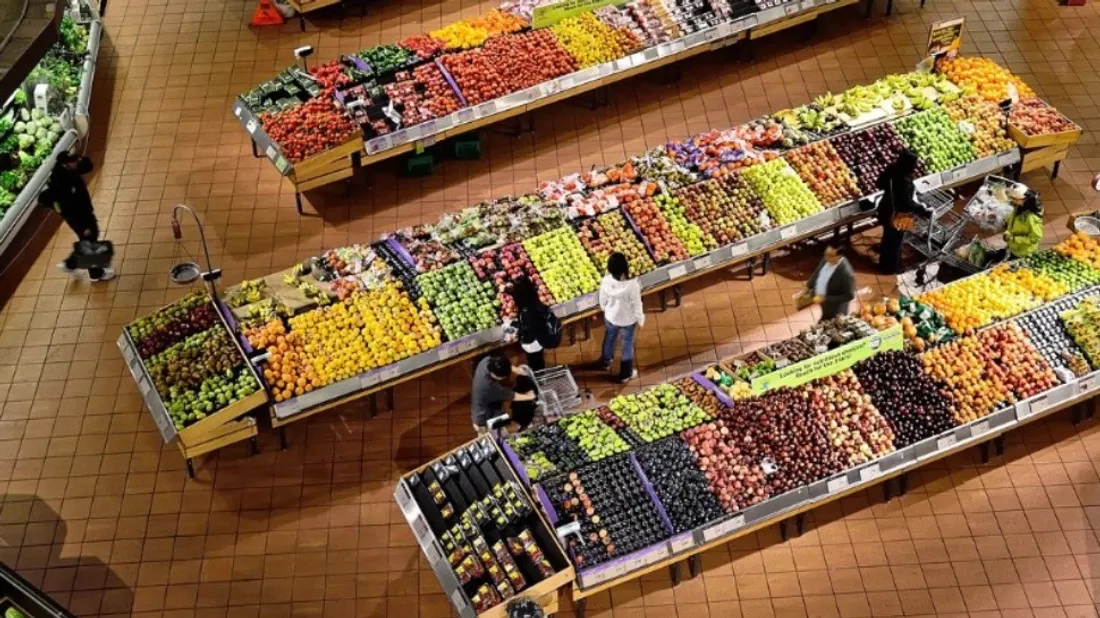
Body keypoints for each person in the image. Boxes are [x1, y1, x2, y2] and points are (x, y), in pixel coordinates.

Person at [39, 152, 114, 281]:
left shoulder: (65, 171)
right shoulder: (62, 185)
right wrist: (82, 226)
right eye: (74, 161)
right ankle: (95, 274)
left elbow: (87, 166)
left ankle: (70, 264)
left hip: (84, 213)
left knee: (89, 239)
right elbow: (70, 210)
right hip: (80, 218)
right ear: (66, 164)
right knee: (90, 241)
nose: (77, 162)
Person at [875, 149, 926, 275]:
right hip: (899, 215)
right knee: (895, 241)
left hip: (886, 209)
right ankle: (890, 268)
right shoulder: (905, 180)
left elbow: (879, 183)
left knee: (887, 237)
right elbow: (907, 203)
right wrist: (922, 209)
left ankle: (883, 264)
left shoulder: (892, 169)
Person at [597, 252, 644, 383]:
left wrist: (605, 309)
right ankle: (625, 374)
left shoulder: (606, 281)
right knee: (627, 344)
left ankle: (606, 361)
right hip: (627, 320)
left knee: (610, 336)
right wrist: (640, 319)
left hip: (611, 317)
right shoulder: (633, 285)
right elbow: (637, 304)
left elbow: (602, 300)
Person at [471, 355, 535, 435]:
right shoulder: (489, 387)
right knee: (491, 434)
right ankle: (485, 435)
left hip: (484, 406)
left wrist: (516, 369)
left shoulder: (486, 361)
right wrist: (530, 396)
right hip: (483, 419)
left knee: (504, 420)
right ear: (495, 374)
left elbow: (502, 364)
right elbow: (512, 396)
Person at [510, 277, 560, 372]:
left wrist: (515, 325)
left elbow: (528, 331)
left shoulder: (526, 312)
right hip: (542, 339)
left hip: (533, 343)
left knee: (535, 362)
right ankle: (540, 373)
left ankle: (539, 378)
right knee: (539, 359)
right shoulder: (538, 305)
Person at [806, 245, 856, 320]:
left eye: (830, 255)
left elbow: (850, 295)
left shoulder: (846, 273)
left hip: (835, 309)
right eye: (825, 254)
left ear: (838, 256)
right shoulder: (827, 259)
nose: (826, 257)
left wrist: (826, 299)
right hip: (823, 303)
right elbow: (817, 272)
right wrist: (808, 286)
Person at [1003, 185, 1043, 258]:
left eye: (1013, 199)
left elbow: (1035, 238)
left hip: (1023, 252)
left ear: (1020, 199)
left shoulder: (1032, 218)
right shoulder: (1020, 207)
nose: (1012, 200)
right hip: (1014, 246)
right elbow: (1014, 220)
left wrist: (1014, 239)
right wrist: (1007, 228)